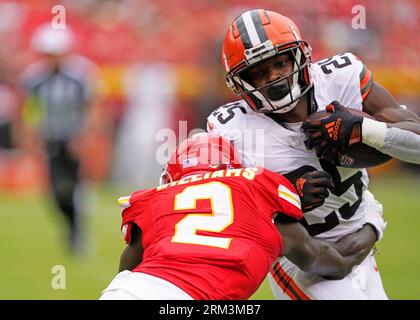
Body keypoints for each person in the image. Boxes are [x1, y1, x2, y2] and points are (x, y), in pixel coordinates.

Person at [207, 9, 420, 300]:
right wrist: (283, 199)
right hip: (301, 262)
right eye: (258, 72)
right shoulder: (231, 130)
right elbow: (226, 220)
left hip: (359, 241)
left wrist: (362, 129)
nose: (273, 77)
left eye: (280, 62)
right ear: (239, 82)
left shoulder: (341, 78)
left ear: (300, 54)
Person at [100, 133, 373, 300]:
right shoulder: (260, 192)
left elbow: (126, 272)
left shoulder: (154, 200)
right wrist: (372, 226)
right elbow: (332, 262)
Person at [20, 24, 100, 254]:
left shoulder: (81, 74)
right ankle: (73, 225)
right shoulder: (35, 77)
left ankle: (77, 231)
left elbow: (92, 108)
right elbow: (28, 108)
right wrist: (29, 135)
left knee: (73, 184)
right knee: (55, 190)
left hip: (74, 137)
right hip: (51, 137)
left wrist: (84, 137)